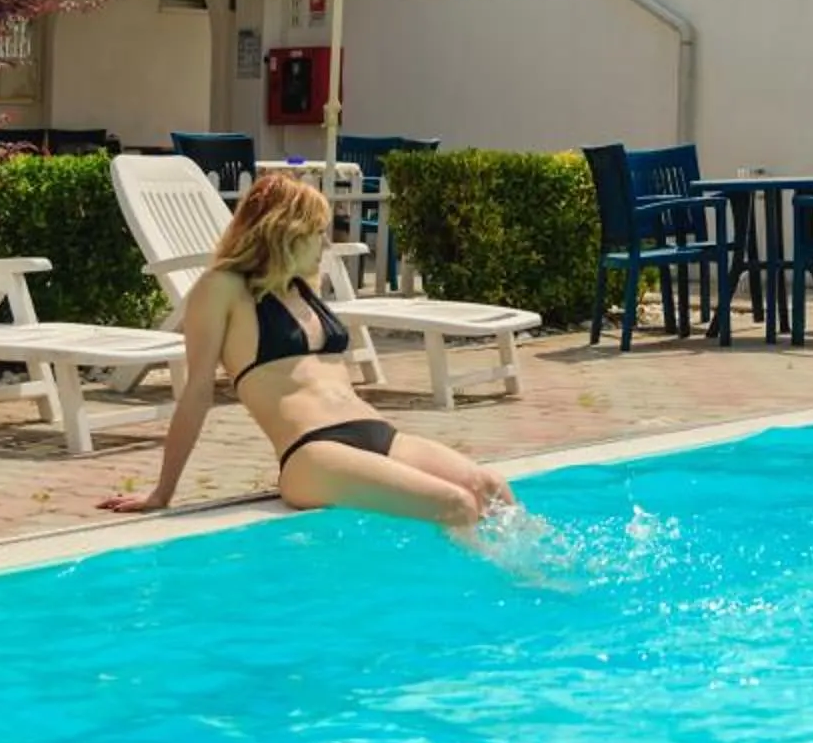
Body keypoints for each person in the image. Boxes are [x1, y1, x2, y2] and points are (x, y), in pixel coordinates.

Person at [98, 170, 517, 528]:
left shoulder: (303, 288)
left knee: (491, 487)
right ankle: (484, 599)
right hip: (312, 453)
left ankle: (536, 578)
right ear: (285, 232)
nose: (326, 245)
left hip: (377, 432)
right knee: (455, 504)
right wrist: (162, 491)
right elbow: (197, 393)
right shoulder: (221, 288)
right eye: (319, 233)